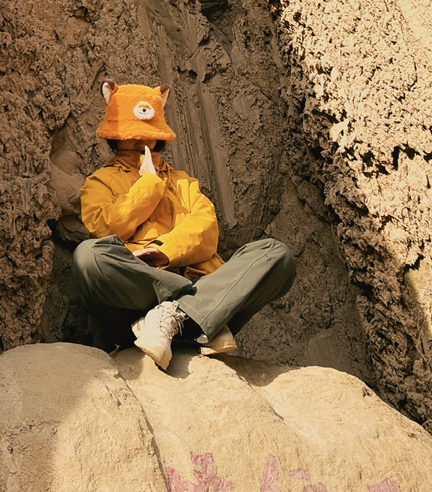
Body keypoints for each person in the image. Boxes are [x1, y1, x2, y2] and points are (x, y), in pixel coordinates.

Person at [70, 80, 296, 370]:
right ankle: (194, 311)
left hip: (203, 285)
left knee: (275, 255)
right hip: (136, 306)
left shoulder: (183, 182)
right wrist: (149, 184)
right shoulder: (100, 181)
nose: (141, 142)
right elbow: (105, 229)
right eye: (132, 135)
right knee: (88, 257)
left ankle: (179, 314)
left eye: (147, 136)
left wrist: (163, 251)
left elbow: (207, 232)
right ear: (115, 136)